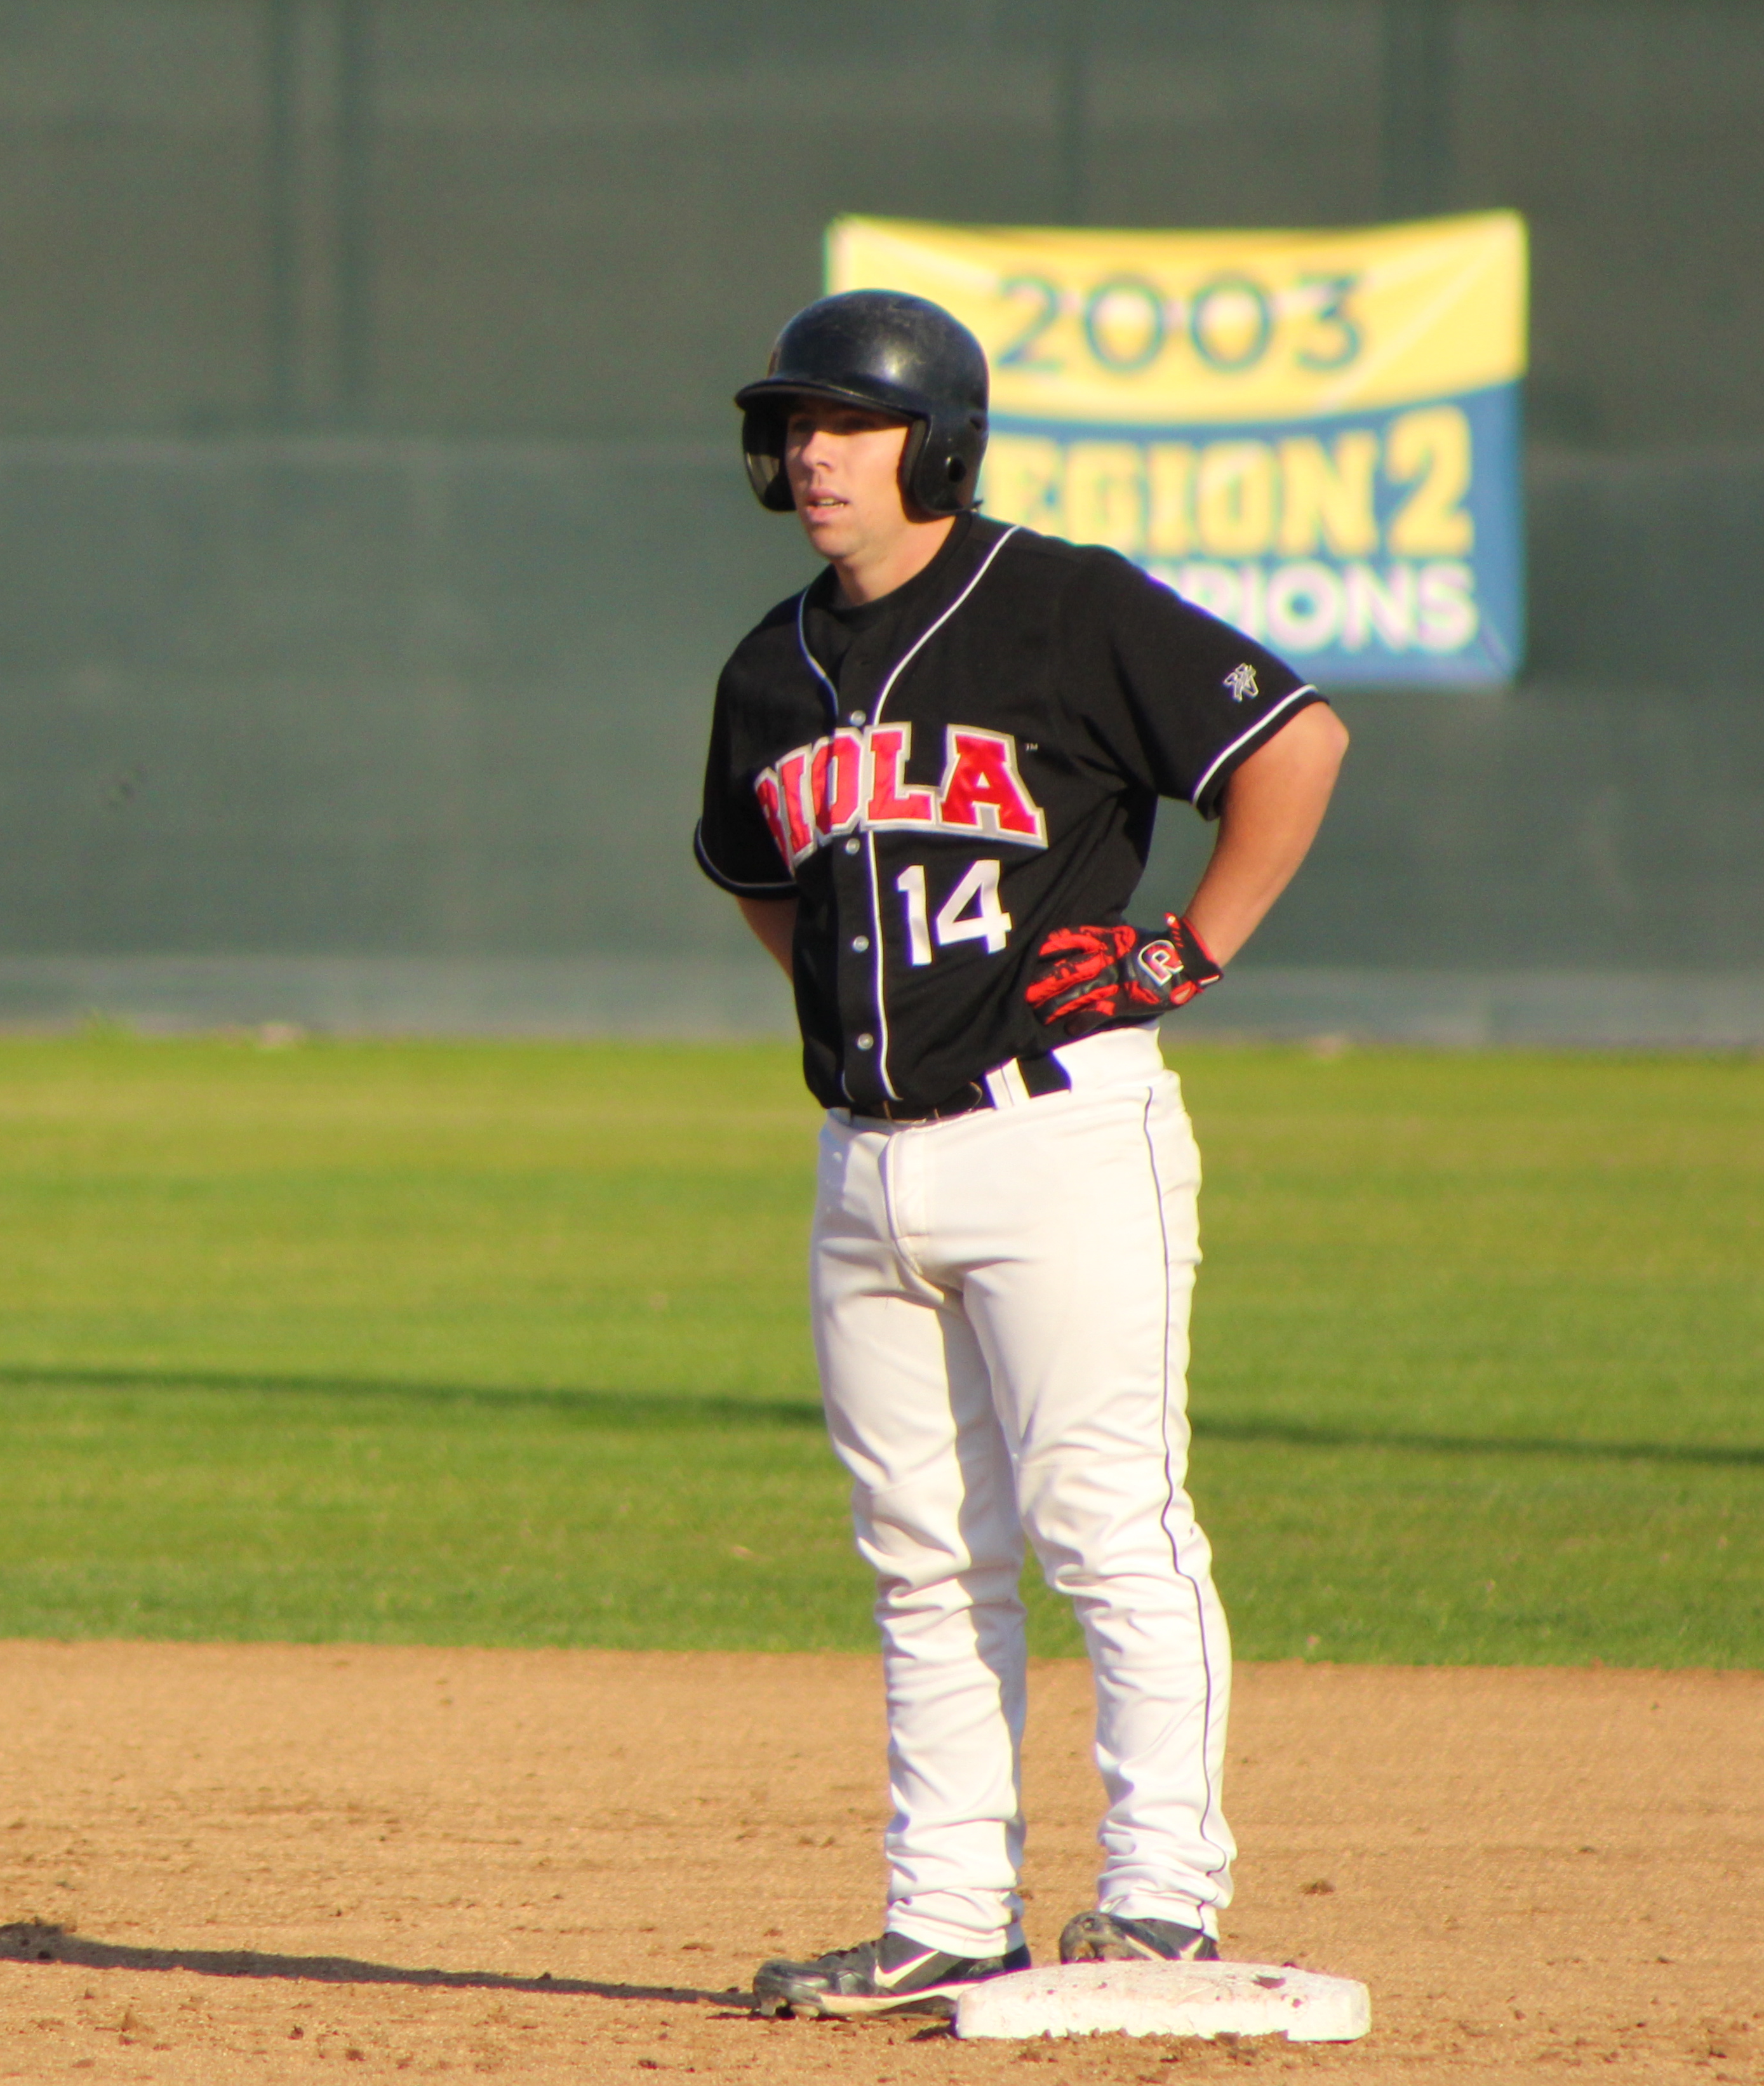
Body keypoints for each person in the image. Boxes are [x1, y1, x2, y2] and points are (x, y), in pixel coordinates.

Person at [692, 291, 1349, 2017]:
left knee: (1104, 1520)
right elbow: (765, 878)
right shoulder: (773, 665)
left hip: (1064, 1134)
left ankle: (1161, 1899)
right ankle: (946, 1903)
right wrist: (865, 1024)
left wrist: (1182, 950)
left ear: (942, 442)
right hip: (868, 1161)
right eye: (796, 422)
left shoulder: (1062, 604)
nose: (812, 450)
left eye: (850, 420)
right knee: (922, 1551)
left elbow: (1294, 742)